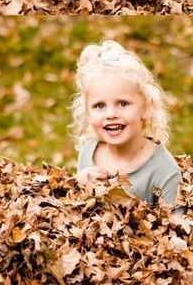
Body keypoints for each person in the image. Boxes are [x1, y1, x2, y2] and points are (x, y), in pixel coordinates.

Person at [73, 40, 180, 207]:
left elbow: (176, 229)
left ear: (145, 107)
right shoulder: (88, 153)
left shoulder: (164, 171)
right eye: (99, 106)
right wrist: (78, 186)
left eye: (122, 103)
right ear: (87, 113)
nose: (111, 114)